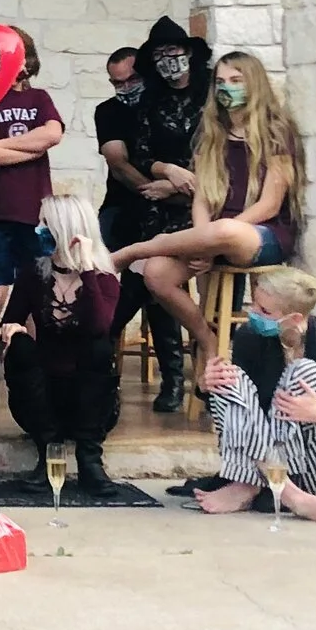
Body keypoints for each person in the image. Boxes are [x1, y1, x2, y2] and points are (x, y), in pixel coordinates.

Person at [110, 50, 297, 386]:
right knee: (157, 274)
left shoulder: (277, 131)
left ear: (254, 83)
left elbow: (270, 204)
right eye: (221, 81)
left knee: (224, 230)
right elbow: (203, 197)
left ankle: (137, 249)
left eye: (237, 81)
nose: (228, 88)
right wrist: (202, 238)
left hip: (261, 233)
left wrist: (215, 238)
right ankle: (208, 341)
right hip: (214, 234)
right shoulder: (211, 132)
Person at [193, 268, 316, 522]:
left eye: (264, 311)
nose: (253, 313)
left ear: (295, 317)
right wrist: (206, 386)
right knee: (230, 379)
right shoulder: (249, 338)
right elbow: (235, 414)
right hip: (265, 465)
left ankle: (261, 488)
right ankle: (288, 494)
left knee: (304, 370)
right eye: (254, 304)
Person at [0, 193, 124, 495]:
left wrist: (87, 269)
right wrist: (11, 329)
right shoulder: (34, 274)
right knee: (20, 346)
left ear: (67, 232)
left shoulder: (104, 279)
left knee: (99, 347)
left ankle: (90, 460)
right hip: (43, 401)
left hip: (91, 405)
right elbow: (10, 319)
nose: (38, 228)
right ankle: (48, 454)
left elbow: (99, 327)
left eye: (45, 223)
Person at [95, 45, 186, 414]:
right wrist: (153, 190)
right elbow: (118, 163)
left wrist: (174, 193)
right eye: (117, 82)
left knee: (156, 288)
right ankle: (102, 375)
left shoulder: (167, 106)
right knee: (106, 287)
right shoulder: (110, 111)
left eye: (131, 79)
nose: (126, 87)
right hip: (124, 210)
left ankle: (175, 378)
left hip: (174, 213)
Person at [0, 27, 64, 350]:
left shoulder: (39, 98)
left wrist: (0, 147)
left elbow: (51, 135)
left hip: (35, 212)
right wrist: (27, 149)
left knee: (38, 287)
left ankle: (37, 355)